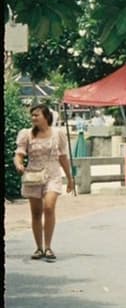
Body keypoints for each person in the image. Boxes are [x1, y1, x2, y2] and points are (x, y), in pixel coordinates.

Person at [14, 104, 75, 262]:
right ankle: (39, 247)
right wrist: (19, 164)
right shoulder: (26, 134)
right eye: (32, 115)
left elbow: (63, 157)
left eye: (37, 115)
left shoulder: (57, 134)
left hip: (52, 175)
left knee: (49, 206)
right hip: (33, 175)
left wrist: (69, 178)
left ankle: (48, 247)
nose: (34, 118)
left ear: (46, 117)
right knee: (35, 213)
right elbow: (19, 154)